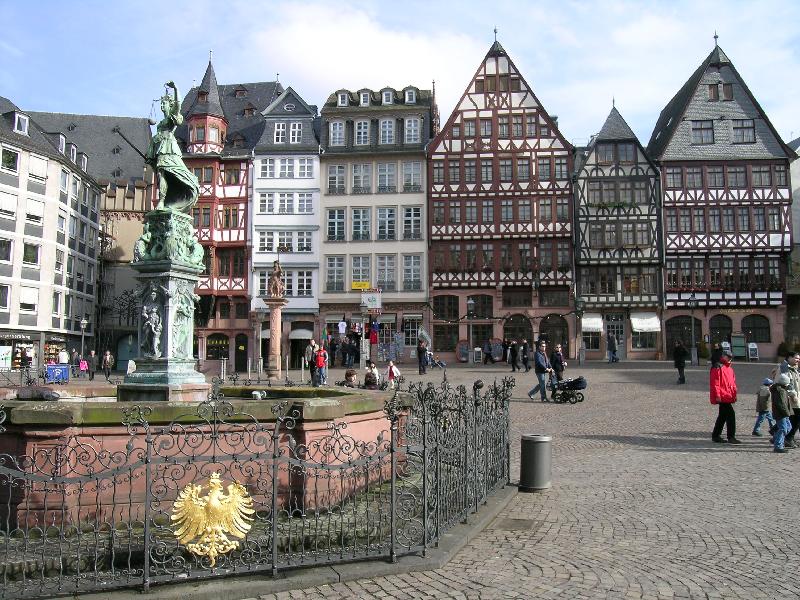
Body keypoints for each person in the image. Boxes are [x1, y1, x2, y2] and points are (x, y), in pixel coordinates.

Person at [710, 350, 740, 444]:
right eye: (728, 357)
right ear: (723, 356)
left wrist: (734, 394)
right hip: (723, 395)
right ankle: (731, 436)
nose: (730, 359)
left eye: (730, 357)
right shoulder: (718, 367)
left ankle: (716, 435)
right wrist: (718, 395)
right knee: (731, 415)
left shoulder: (729, 368)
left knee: (722, 416)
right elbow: (715, 383)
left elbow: (733, 383)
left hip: (727, 395)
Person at [778, 352, 800, 447]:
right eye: (796, 358)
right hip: (790, 399)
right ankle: (788, 438)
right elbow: (787, 383)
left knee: (793, 419)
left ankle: (788, 438)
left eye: (798, 359)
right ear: (789, 357)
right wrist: (793, 395)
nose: (798, 360)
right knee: (796, 420)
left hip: (795, 398)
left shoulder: (794, 368)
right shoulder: (785, 368)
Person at [771, 374, 793, 453]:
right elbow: (781, 404)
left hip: (783, 413)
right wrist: (787, 412)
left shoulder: (783, 390)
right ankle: (778, 446)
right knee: (783, 428)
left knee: (789, 427)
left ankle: (776, 438)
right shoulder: (780, 391)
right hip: (781, 413)